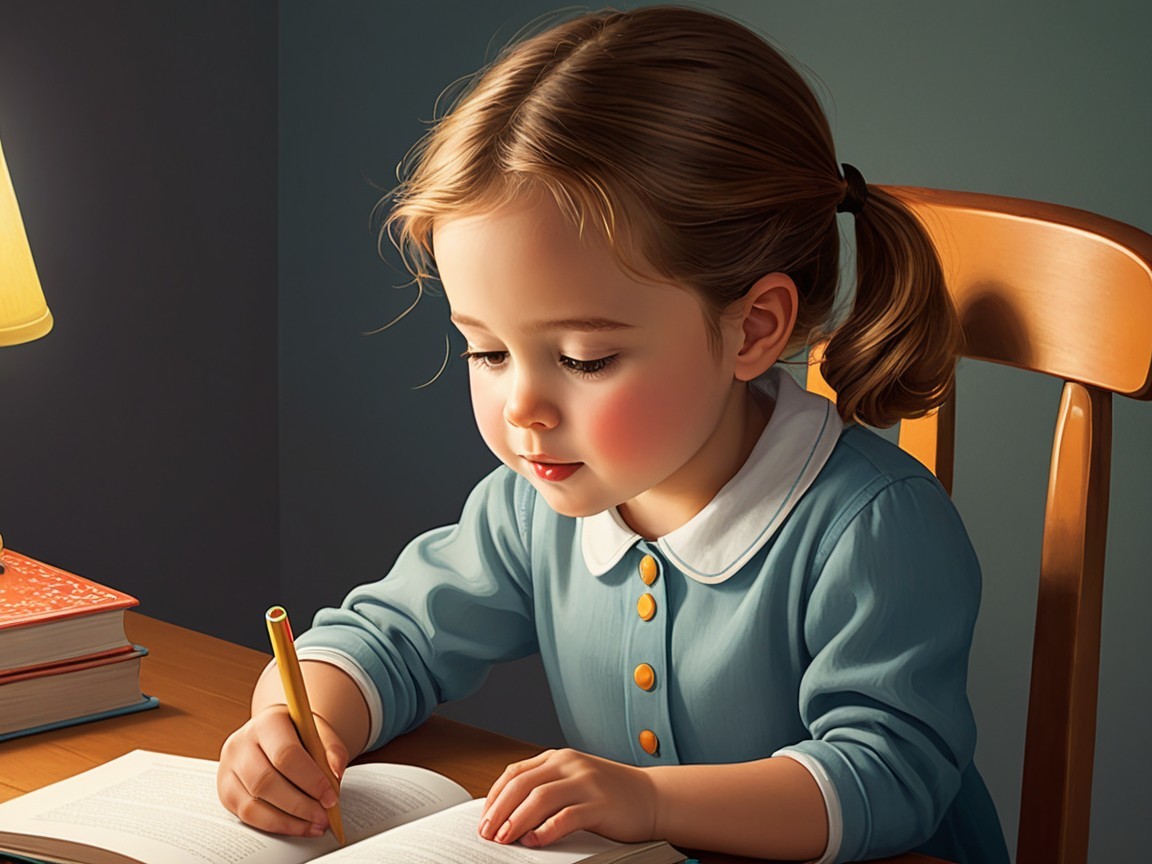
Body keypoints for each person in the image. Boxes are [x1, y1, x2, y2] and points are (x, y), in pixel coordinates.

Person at [217, 6, 1009, 862]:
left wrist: (649, 800)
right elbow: (390, 637)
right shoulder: (532, 507)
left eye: (583, 359)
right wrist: (294, 722)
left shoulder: (871, 528)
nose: (523, 407)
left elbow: (887, 776)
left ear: (752, 328)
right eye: (487, 351)